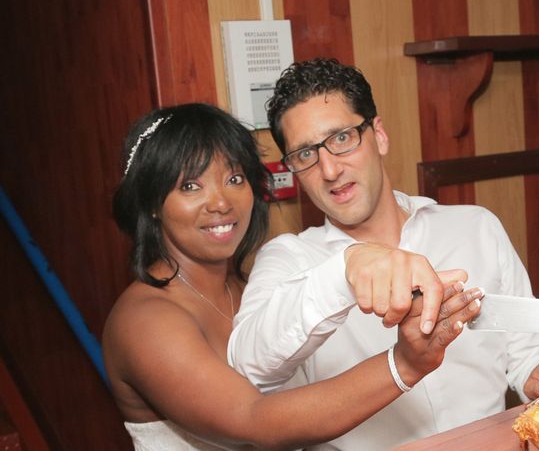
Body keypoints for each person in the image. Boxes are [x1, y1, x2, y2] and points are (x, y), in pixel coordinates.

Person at [104, 103, 482, 450]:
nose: (221, 202)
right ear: (152, 203)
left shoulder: (251, 286)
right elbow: (254, 420)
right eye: (190, 186)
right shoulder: (145, 319)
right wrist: (404, 363)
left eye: (234, 179)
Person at [228, 58, 539, 450]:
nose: (330, 169)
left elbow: (526, 352)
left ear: (379, 135)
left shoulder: (475, 226)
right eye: (305, 155)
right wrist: (343, 272)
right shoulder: (289, 258)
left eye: (341, 138)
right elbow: (249, 368)